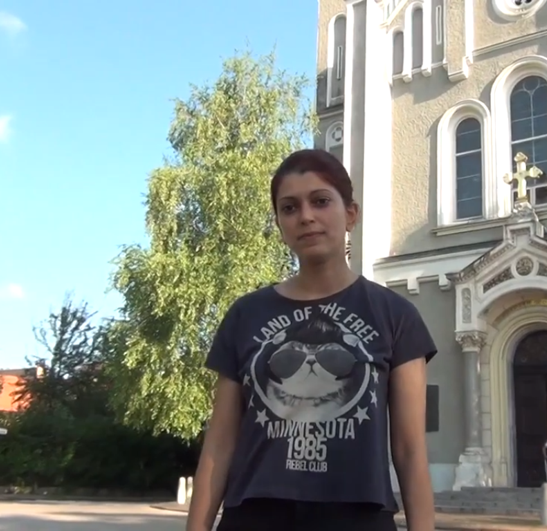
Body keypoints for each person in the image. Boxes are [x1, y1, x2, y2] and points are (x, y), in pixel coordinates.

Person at [186, 149, 438, 531]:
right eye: (289, 208)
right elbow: (219, 447)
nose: (305, 216)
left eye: (320, 201)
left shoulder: (396, 316)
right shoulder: (245, 314)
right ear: (279, 224)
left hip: (356, 518)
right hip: (254, 516)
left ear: (350, 214)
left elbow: (409, 451)